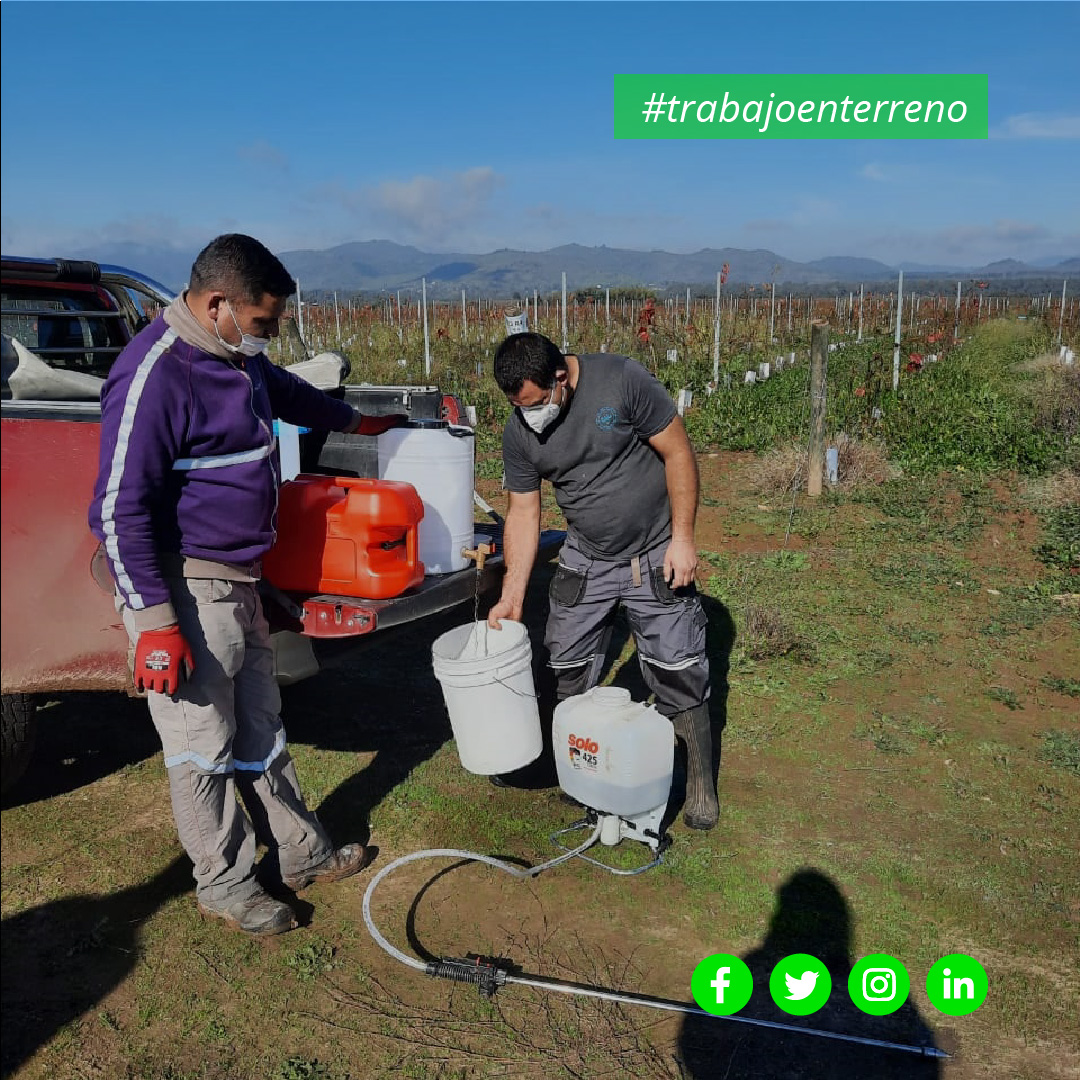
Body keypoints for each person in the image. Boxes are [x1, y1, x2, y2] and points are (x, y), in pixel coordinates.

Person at [89, 234, 408, 936]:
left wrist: (358, 420)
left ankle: (301, 853)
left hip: (242, 577)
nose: (269, 338)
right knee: (203, 742)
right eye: (262, 324)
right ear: (215, 304)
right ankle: (226, 883)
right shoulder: (155, 375)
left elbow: (289, 390)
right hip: (188, 584)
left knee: (262, 725)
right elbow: (117, 508)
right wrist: (154, 621)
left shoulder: (237, 359)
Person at [487, 332, 718, 830]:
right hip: (587, 556)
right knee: (565, 662)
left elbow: (678, 452)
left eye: (536, 402)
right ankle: (572, 764)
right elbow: (524, 512)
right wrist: (511, 595)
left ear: (560, 378)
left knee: (677, 664)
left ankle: (697, 781)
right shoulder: (520, 431)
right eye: (517, 406)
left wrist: (683, 539)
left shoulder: (621, 381)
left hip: (655, 547)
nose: (530, 415)